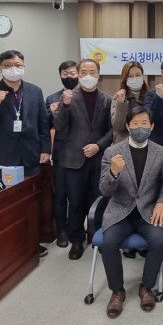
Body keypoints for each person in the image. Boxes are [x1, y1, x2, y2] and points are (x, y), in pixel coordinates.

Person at [99, 106, 163, 318]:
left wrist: (162, 203)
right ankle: (117, 291)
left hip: (149, 211)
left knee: (159, 241)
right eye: (136, 124)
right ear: (128, 126)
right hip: (120, 211)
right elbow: (104, 191)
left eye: (144, 124)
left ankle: (146, 287)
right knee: (108, 243)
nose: (140, 128)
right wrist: (113, 173)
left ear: (152, 126)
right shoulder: (112, 152)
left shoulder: (161, 152)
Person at [54, 59, 113, 260]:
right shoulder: (69, 97)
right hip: (73, 159)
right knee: (76, 202)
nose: (88, 75)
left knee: (99, 200)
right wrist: (65, 105)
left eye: (92, 71)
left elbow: (111, 130)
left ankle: (99, 238)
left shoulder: (107, 99)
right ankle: (76, 241)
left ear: (98, 74)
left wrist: (98, 145)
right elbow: (59, 126)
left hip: (98, 159)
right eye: (84, 72)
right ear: (78, 74)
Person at [0, 50, 51, 177]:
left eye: (18, 65)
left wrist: (45, 150)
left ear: (24, 66)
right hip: (2, 158)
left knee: (32, 189)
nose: (13, 69)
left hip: (31, 157)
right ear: (0, 68)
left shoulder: (35, 91)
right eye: (8, 65)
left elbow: (43, 123)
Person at [46, 60, 78, 248]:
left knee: (76, 195)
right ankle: (61, 231)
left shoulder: (83, 96)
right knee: (60, 195)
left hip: (80, 153)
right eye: (65, 74)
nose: (69, 77)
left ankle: (75, 231)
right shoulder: (52, 98)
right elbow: (45, 125)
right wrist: (51, 113)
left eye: (73, 73)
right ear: (60, 75)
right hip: (60, 153)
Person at [111, 61, 149, 144]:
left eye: (138, 75)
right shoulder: (118, 97)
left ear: (143, 76)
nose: (135, 78)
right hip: (124, 144)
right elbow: (119, 126)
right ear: (125, 79)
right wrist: (121, 103)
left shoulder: (150, 96)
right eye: (130, 76)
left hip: (146, 143)